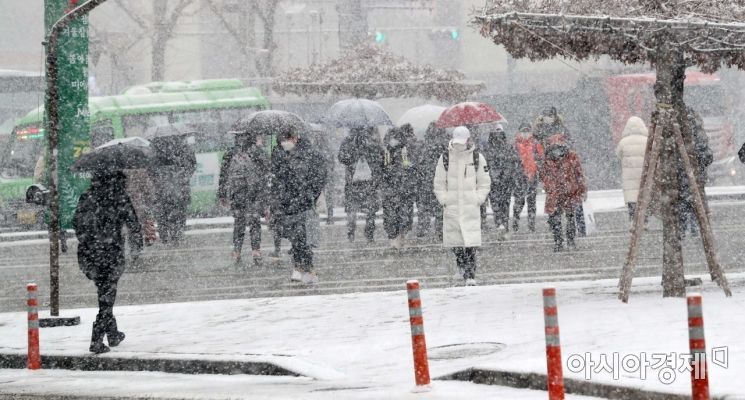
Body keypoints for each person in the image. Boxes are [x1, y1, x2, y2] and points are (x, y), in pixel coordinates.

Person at [73, 171, 142, 354]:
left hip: (89, 253)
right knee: (107, 296)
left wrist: (89, 241)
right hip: (110, 253)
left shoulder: (86, 196)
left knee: (105, 291)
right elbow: (133, 224)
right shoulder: (119, 197)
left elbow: (76, 223)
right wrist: (136, 245)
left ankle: (113, 333)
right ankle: (96, 339)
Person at [433, 126, 491, 286]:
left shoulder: (477, 158)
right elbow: (438, 182)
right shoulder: (444, 158)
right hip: (452, 206)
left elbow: (485, 182)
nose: (459, 146)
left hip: (470, 206)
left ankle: (470, 274)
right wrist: (444, 199)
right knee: (456, 242)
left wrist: (478, 198)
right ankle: (461, 268)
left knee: (470, 242)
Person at [271, 127, 328, 284]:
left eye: (287, 140)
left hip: (304, 203)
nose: (284, 144)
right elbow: (277, 180)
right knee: (295, 238)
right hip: (287, 204)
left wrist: (309, 192)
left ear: (295, 138)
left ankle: (307, 268)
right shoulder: (280, 155)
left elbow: (320, 176)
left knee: (304, 237)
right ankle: (300, 267)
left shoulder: (310, 154)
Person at [218, 131, 271, 264]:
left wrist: (222, 194)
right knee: (255, 222)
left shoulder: (230, 153)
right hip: (255, 193)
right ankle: (256, 251)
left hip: (237, 193)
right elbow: (266, 173)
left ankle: (237, 252)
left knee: (239, 223)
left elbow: (223, 175)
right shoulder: (258, 152)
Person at [540, 129, 587, 252]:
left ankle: (558, 242)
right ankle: (569, 241)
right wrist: (582, 189)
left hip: (556, 192)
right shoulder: (571, 156)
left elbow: (544, 176)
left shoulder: (547, 158)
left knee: (556, 217)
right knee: (570, 216)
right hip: (569, 190)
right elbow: (579, 174)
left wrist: (549, 187)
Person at [149, 127, 197, 244]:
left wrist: (156, 180)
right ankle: (177, 234)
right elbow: (192, 165)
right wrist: (184, 176)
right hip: (179, 186)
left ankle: (165, 235)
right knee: (179, 210)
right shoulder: (183, 148)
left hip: (161, 188)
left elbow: (150, 169)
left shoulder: (153, 149)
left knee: (162, 212)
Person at [338, 126, 384, 243]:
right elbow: (380, 159)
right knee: (369, 211)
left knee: (354, 210)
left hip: (354, 182)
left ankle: (352, 233)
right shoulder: (373, 141)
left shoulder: (349, 141)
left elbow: (342, 158)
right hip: (368, 182)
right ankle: (368, 234)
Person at [382, 124, 419, 249]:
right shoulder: (389, 151)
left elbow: (411, 167)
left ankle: (399, 237)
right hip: (400, 189)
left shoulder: (399, 150)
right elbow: (412, 167)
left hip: (398, 189)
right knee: (400, 214)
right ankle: (399, 237)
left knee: (396, 214)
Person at [679, 108, 713, 238]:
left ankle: (683, 230)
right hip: (696, 175)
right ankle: (695, 228)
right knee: (695, 201)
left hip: (681, 174)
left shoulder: (678, 130)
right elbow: (707, 155)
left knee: (682, 201)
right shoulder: (699, 132)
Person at [482, 124, 522, 233]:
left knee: (500, 203)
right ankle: (502, 223)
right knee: (502, 203)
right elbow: (515, 161)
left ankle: (501, 222)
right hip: (500, 180)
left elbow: (515, 161)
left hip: (500, 180)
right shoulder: (502, 147)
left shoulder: (490, 147)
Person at [416, 122, 448, 240]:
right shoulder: (445, 146)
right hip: (440, 180)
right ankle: (440, 230)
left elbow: (418, 164)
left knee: (424, 207)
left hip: (426, 181)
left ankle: (423, 229)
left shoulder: (423, 146)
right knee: (440, 205)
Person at [615, 116, 648, 220]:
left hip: (629, 174)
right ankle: (644, 220)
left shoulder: (623, 142)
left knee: (632, 196)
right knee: (644, 195)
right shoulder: (647, 140)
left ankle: (633, 219)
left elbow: (618, 155)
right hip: (644, 172)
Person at [513, 123, 544, 232]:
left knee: (531, 201)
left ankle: (531, 224)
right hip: (519, 176)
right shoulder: (514, 145)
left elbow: (541, 158)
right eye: (523, 131)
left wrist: (537, 167)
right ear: (519, 132)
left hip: (532, 176)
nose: (525, 133)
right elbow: (511, 160)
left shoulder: (535, 144)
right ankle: (515, 221)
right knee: (519, 201)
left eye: (527, 131)